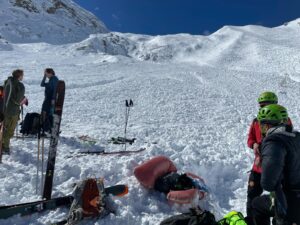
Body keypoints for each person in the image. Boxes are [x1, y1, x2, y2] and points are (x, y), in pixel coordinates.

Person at [246, 92, 292, 225]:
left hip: (278, 168)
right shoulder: (257, 121)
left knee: (278, 201)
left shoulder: (284, 120)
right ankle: (252, 221)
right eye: (261, 106)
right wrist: (254, 144)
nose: (263, 107)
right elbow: (250, 139)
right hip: (259, 166)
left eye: (267, 104)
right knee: (252, 197)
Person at [252, 104, 300, 225]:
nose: (262, 131)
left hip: (289, 203)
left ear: (268, 125)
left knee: (256, 205)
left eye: (262, 126)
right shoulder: (296, 136)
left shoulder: (274, 141)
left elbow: (268, 183)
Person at [2, 69, 25, 154]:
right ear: (19, 76)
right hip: (13, 112)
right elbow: (18, 100)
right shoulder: (20, 85)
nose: (23, 77)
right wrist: (24, 99)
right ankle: (5, 148)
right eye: (22, 75)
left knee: (4, 130)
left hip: (4, 110)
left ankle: (3, 145)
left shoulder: (7, 82)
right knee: (9, 131)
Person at [40, 68, 58, 132]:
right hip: (47, 98)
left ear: (50, 73)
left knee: (48, 112)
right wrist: (44, 77)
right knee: (44, 111)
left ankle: (49, 128)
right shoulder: (50, 79)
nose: (45, 75)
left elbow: (55, 90)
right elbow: (42, 84)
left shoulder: (54, 79)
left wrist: (53, 99)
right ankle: (45, 127)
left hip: (50, 99)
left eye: (46, 73)